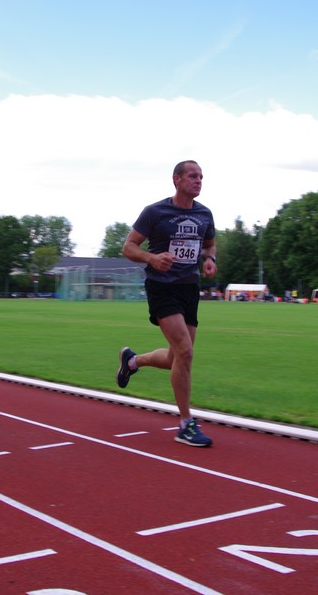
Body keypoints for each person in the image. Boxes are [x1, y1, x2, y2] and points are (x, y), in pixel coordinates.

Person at [116, 160, 217, 447]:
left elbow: (209, 243)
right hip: (162, 287)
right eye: (193, 176)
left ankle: (132, 361)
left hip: (189, 289)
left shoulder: (204, 214)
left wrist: (210, 259)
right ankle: (185, 424)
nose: (198, 180)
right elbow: (128, 247)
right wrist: (152, 258)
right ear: (176, 179)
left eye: (201, 177)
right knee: (185, 351)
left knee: (177, 358)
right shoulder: (155, 212)